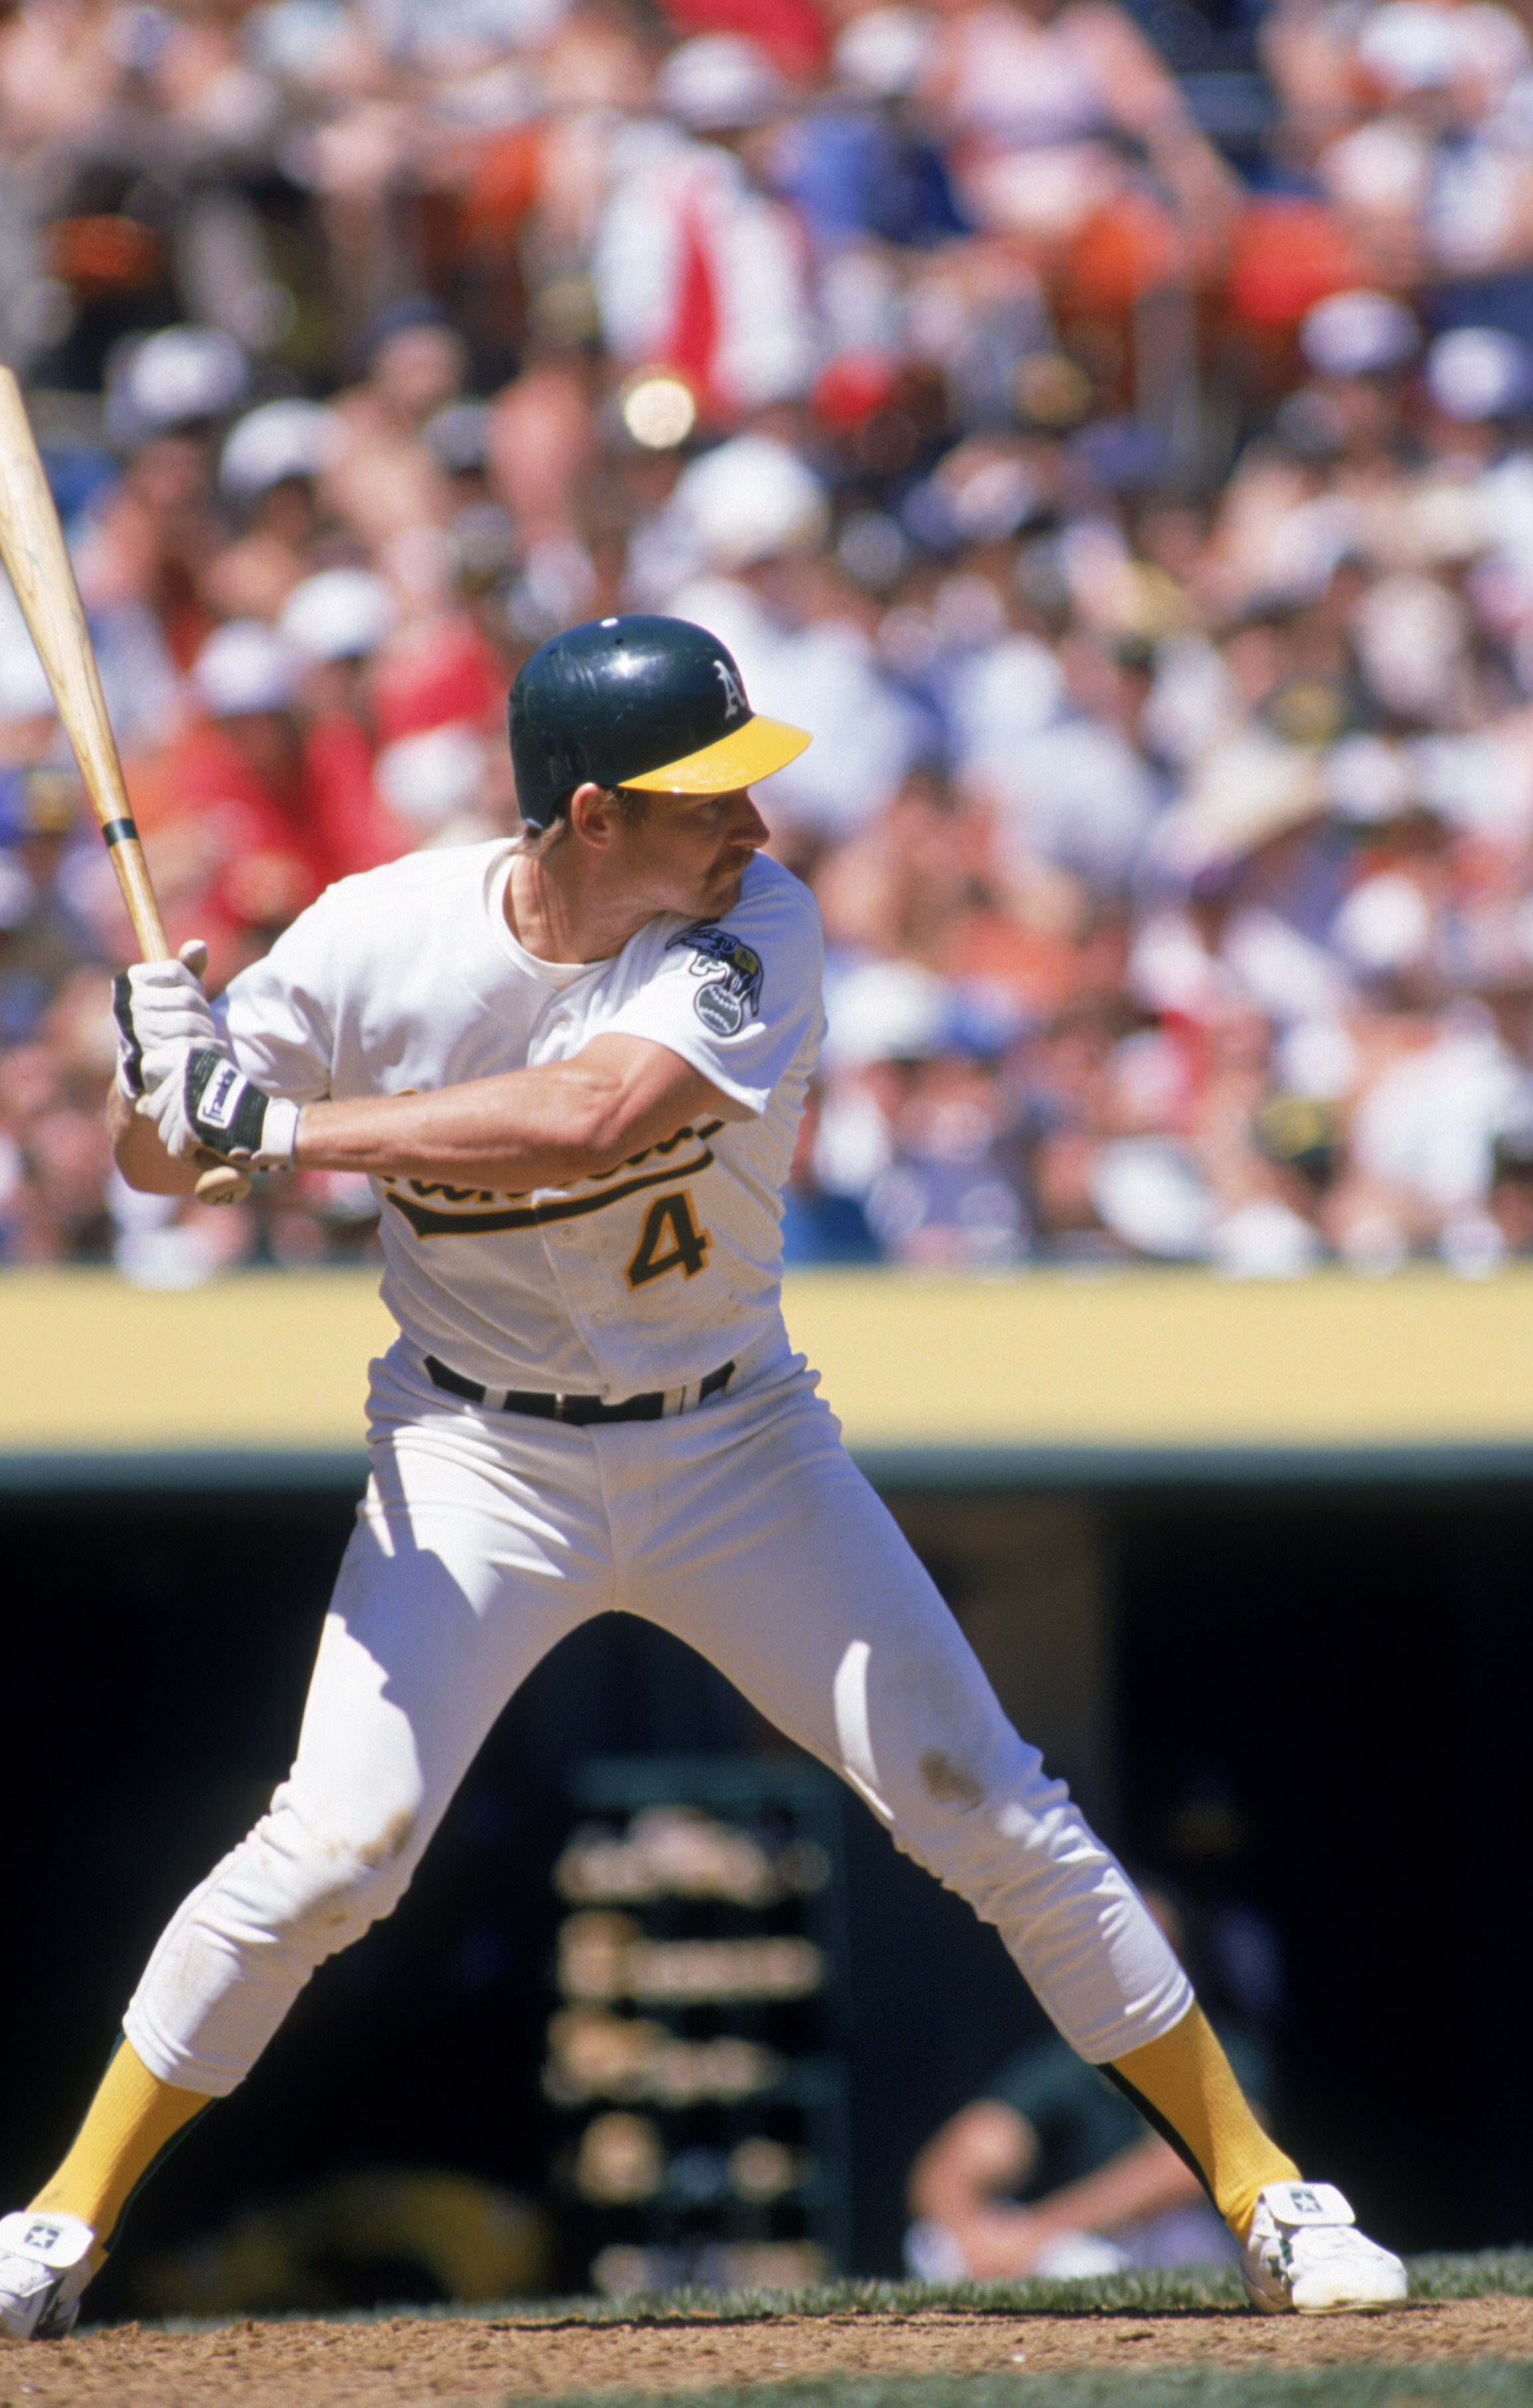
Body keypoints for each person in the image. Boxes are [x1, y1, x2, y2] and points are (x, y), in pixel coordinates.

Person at [0, 615, 1406, 2338]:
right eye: (702, 800)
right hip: (472, 1451)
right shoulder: (376, 935)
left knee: (988, 1800)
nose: (750, 827)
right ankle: (59, 2223)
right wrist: (167, 1061)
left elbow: (594, 1111)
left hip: (736, 1440)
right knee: (336, 1848)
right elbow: (166, 1163)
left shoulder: (758, 929)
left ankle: (1273, 2194)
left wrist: (275, 1122)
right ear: (590, 816)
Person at [904, 1890, 1273, 2283]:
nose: (1129, 1969)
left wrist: (1041, 2231)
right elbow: (951, 2167)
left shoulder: (1224, 2049)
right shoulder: (1071, 2061)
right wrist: (976, 2240)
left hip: (1174, 2244)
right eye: (1115, 1954)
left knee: (1180, 2236)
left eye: (1147, 1953)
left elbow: (1189, 2170)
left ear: (1181, 1963)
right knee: (931, 2243)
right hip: (1081, 2246)